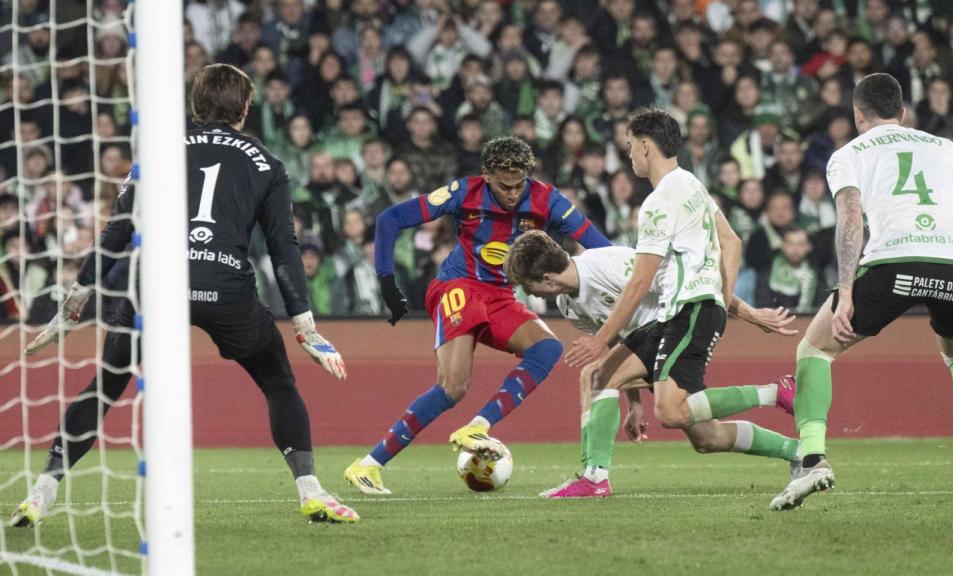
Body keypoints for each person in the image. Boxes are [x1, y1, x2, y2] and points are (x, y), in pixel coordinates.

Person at [11, 64, 357, 527]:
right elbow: (282, 247)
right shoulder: (267, 164)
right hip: (226, 288)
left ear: (195, 106)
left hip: (155, 287)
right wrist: (304, 324)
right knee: (278, 381)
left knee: (104, 388)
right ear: (246, 109)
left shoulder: (156, 155)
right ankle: (310, 489)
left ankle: (41, 492)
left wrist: (76, 299)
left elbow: (117, 234)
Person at [770, 73, 953, 511]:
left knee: (814, 351)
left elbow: (851, 217)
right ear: (903, 113)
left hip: (894, 262)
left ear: (857, 114)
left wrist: (846, 290)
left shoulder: (847, 154)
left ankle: (813, 460)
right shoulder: (943, 147)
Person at [343, 136, 611, 495]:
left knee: (547, 348)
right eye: (504, 186)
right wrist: (387, 282)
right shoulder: (463, 192)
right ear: (486, 175)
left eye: (519, 185)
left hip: (501, 294)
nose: (514, 193)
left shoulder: (549, 200)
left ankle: (478, 427)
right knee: (453, 387)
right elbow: (391, 219)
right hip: (459, 286)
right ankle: (368, 466)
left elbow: (601, 248)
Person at [561, 107, 801, 497]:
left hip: (686, 312)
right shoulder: (691, 184)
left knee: (671, 411)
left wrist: (600, 338)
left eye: (628, 147)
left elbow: (639, 282)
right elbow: (731, 242)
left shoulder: (657, 203)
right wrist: (722, 302)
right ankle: (594, 478)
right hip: (683, 312)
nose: (629, 156)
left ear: (644, 145)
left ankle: (775, 393)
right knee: (604, 378)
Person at [505, 231, 800, 498]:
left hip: (676, 326)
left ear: (546, 277)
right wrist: (633, 403)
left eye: (527, 287)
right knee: (707, 438)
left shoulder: (606, 265)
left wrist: (751, 314)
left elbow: (688, 282)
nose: (528, 295)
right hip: (649, 343)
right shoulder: (568, 305)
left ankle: (594, 476)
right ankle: (797, 450)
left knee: (593, 375)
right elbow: (615, 344)